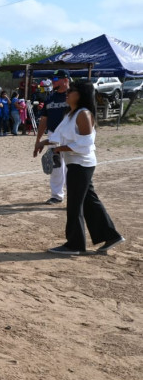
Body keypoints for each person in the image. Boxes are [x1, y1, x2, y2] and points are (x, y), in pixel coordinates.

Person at [34, 81, 124, 255]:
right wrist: (43, 142)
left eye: (71, 91)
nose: (67, 93)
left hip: (81, 164)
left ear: (81, 94)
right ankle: (111, 235)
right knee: (90, 201)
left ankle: (75, 245)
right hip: (75, 163)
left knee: (75, 204)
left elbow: (86, 144)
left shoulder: (84, 114)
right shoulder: (70, 114)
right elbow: (60, 136)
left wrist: (60, 149)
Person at [34, 70, 71, 205]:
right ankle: (56, 195)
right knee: (55, 165)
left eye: (56, 78)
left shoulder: (72, 96)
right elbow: (44, 120)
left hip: (70, 136)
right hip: (53, 135)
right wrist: (38, 140)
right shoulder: (50, 98)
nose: (53, 81)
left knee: (71, 167)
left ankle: (73, 197)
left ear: (65, 80)